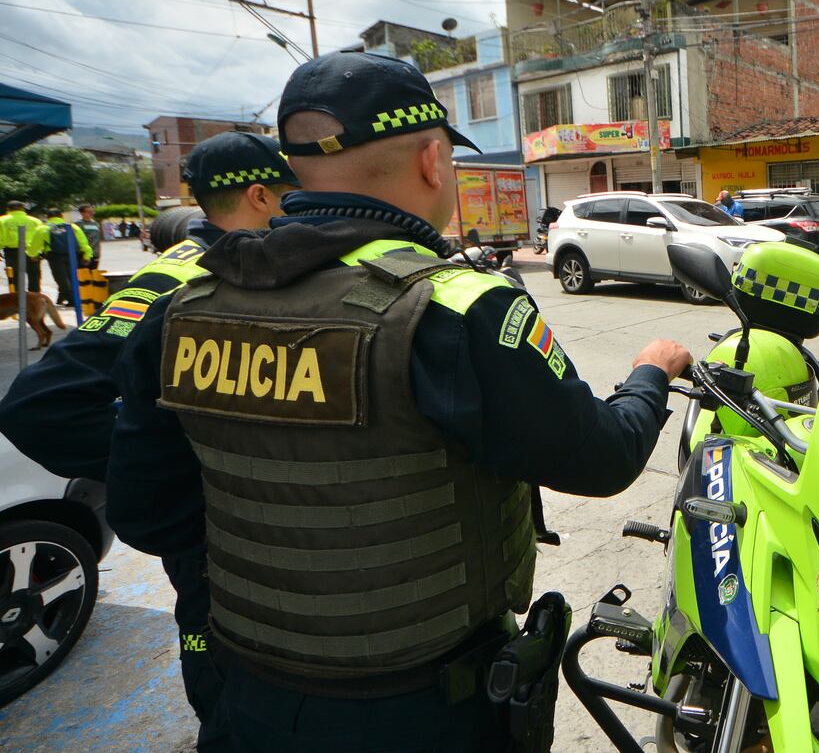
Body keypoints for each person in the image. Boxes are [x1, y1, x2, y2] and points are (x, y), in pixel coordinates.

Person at [105, 51, 691, 753]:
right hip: (422, 712)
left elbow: (146, 510)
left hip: (248, 694)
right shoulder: (453, 306)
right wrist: (650, 372)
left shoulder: (182, 307)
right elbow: (602, 457)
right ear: (433, 161)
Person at [0, 132, 299, 752]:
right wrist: (175, 464)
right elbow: (39, 406)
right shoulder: (188, 278)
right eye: (293, 196)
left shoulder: (214, 265)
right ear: (261, 194)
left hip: (241, 539)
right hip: (210, 539)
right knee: (224, 675)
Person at [38, 209, 93, 306]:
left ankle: (72, 300)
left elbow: (35, 245)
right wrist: (87, 255)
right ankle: (75, 297)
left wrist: (33, 255)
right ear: (61, 216)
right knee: (72, 276)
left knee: (61, 278)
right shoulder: (72, 227)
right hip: (72, 254)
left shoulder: (43, 228)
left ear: (48, 217)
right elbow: (83, 242)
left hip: (54, 256)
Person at [1, 200, 44, 293]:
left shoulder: (2, 220)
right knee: (34, 274)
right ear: (23, 209)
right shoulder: (35, 221)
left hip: (12, 252)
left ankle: (17, 297)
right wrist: (42, 251)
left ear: (8, 209)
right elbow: (42, 236)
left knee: (15, 275)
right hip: (32, 251)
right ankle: (34, 296)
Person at [77, 204, 102, 269]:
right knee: (84, 276)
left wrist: (99, 253)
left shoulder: (96, 224)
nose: (91, 214)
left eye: (92, 212)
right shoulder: (78, 224)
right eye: (88, 212)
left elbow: (97, 239)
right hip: (84, 255)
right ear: (82, 213)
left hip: (95, 254)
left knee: (94, 276)